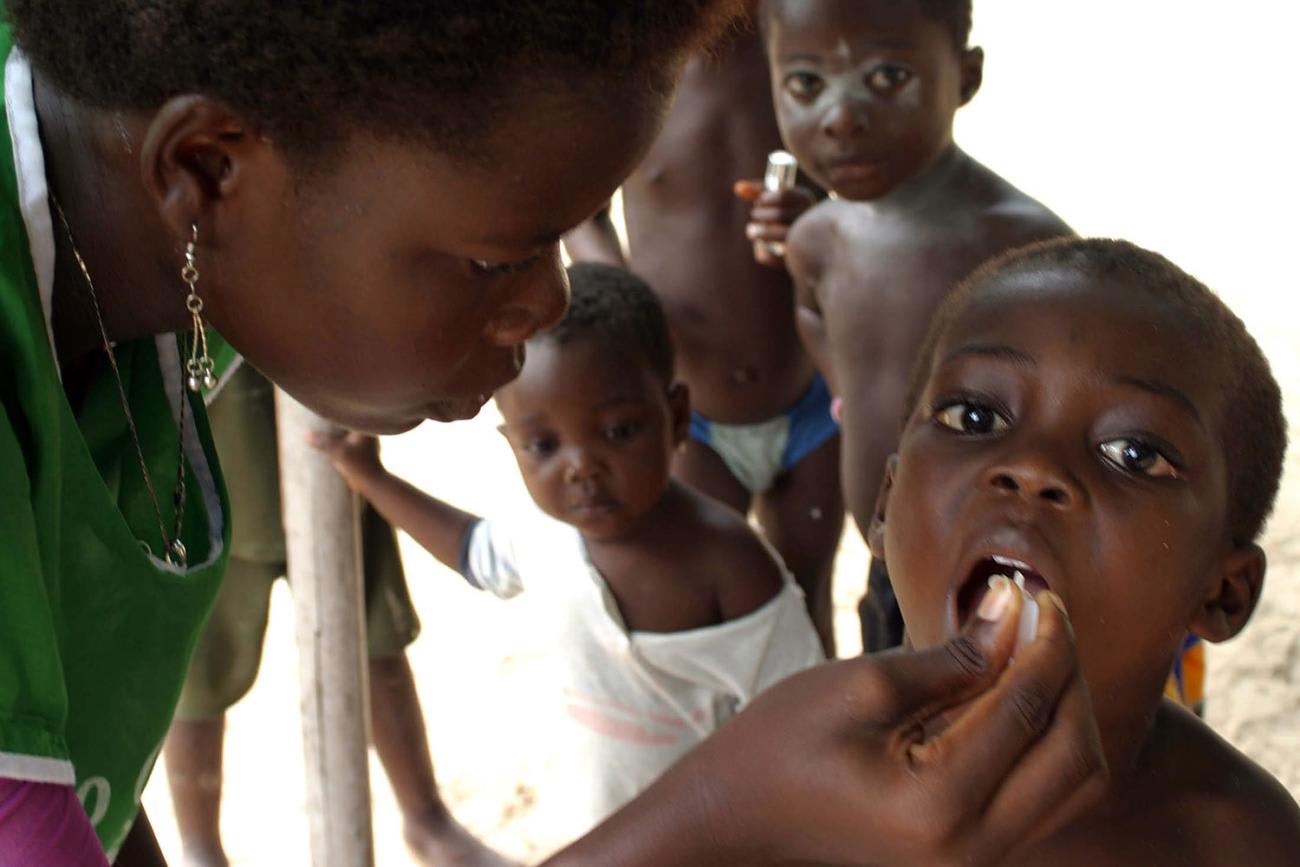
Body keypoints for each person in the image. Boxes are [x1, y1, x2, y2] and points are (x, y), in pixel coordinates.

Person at [0, 1, 1107, 865]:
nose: (546, 308)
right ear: (204, 171)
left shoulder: (130, 213)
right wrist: (728, 804)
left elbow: (74, 799)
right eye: (498, 258)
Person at [314, 263, 826, 842]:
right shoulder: (541, 534)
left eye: (618, 431)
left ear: (676, 417)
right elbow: (471, 551)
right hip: (596, 832)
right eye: (544, 445)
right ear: (511, 446)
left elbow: (804, 717)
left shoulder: (729, 563)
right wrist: (372, 480)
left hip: (716, 846)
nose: (581, 467)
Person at [868, 237, 1300, 864]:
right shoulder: (778, 788)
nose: (1032, 467)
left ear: (1223, 593)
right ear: (885, 505)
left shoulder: (1241, 845)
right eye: (975, 417)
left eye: (1135, 455)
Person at [756, 0, 1071, 653]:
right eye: (806, 84)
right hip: (889, 558)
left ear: (965, 76)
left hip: (997, 566)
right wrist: (848, 392)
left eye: (887, 76)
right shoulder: (817, 239)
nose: (840, 117)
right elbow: (813, 312)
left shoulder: (1025, 250)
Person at [564, 7, 844, 656]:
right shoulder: (628, 61)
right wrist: (631, 307)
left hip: (811, 395)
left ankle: (813, 753)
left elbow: (869, 179)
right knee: (701, 616)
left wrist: (812, 216)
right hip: (692, 416)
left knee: (808, 605)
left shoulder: (806, 44)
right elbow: (582, 214)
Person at [163, 362, 513, 867]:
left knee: (373, 640)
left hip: (325, 425)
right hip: (205, 441)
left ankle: (426, 819)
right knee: (196, 673)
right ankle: (200, 847)